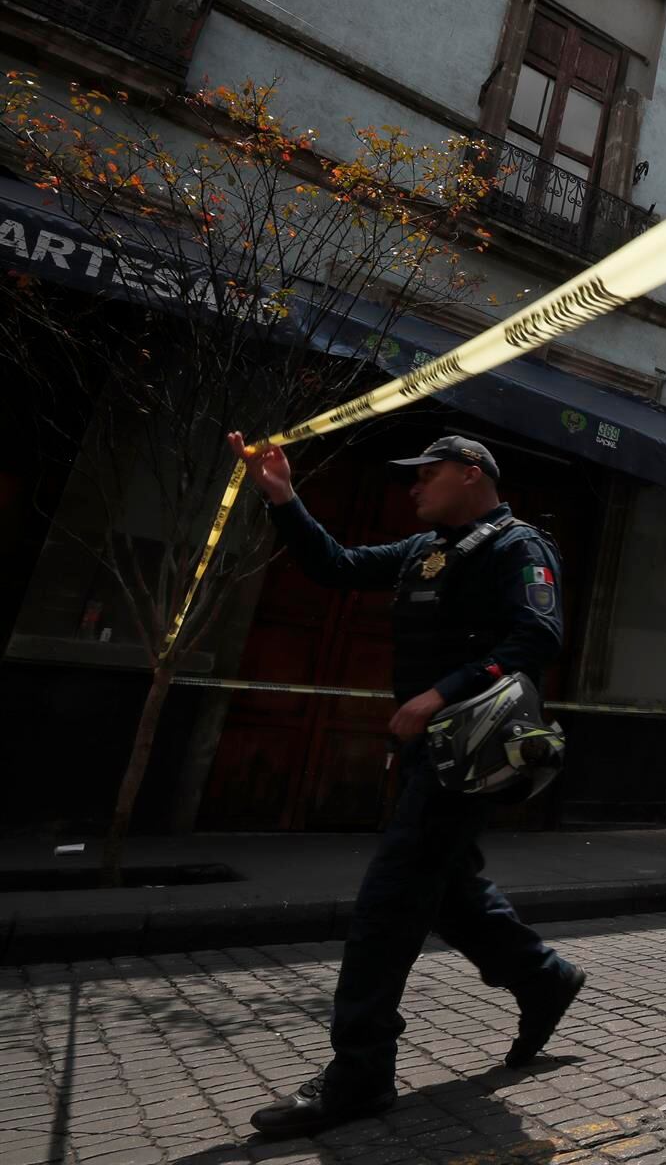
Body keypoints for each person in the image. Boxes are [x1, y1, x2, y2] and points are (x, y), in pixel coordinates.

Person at [227, 433, 584, 1140]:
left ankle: (360, 1075)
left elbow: (537, 636)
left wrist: (438, 694)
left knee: (390, 905)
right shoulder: (426, 549)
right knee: (448, 889)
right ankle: (543, 977)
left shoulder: (518, 547)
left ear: (470, 472)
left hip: (470, 750)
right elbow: (337, 566)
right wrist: (284, 499)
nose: (413, 487)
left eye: (425, 473)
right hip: (430, 755)